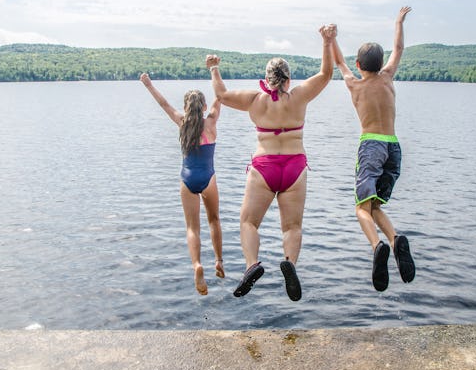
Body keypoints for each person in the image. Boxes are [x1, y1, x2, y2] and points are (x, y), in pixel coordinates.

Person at [205, 25, 336, 301]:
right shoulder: (299, 96)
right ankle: (290, 263)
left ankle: (252, 264)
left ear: (266, 78)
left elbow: (222, 96)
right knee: (292, 227)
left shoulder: (255, 100)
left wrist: (214, 69)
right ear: (288, 79)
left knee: (248, 222)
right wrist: (327, 41)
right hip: (294, 168)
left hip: (263, 168)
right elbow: (326, 74)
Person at [330, 7, 415, 292]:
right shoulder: (388, 76)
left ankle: (377, 246)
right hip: (394, 147)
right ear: (381, 64)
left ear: (359, 64)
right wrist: (398, 22)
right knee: (375, 204)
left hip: (372, 146)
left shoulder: (354, 85)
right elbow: (399, 47)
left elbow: (339, 62)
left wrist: (330, 39)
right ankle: (394, 239)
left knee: (360, 208)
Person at [140, 73, 224, 296]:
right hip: (208, 178)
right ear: (204, 106)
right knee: (214, 220)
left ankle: (197, 264)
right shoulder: (211, 122)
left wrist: (149, 85)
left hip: (187, 179)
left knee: (192, 227)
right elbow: (221, 95)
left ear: (186, 108)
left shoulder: (181, 122)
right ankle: (218, 261)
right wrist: (215, 70)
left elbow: (163, 103)